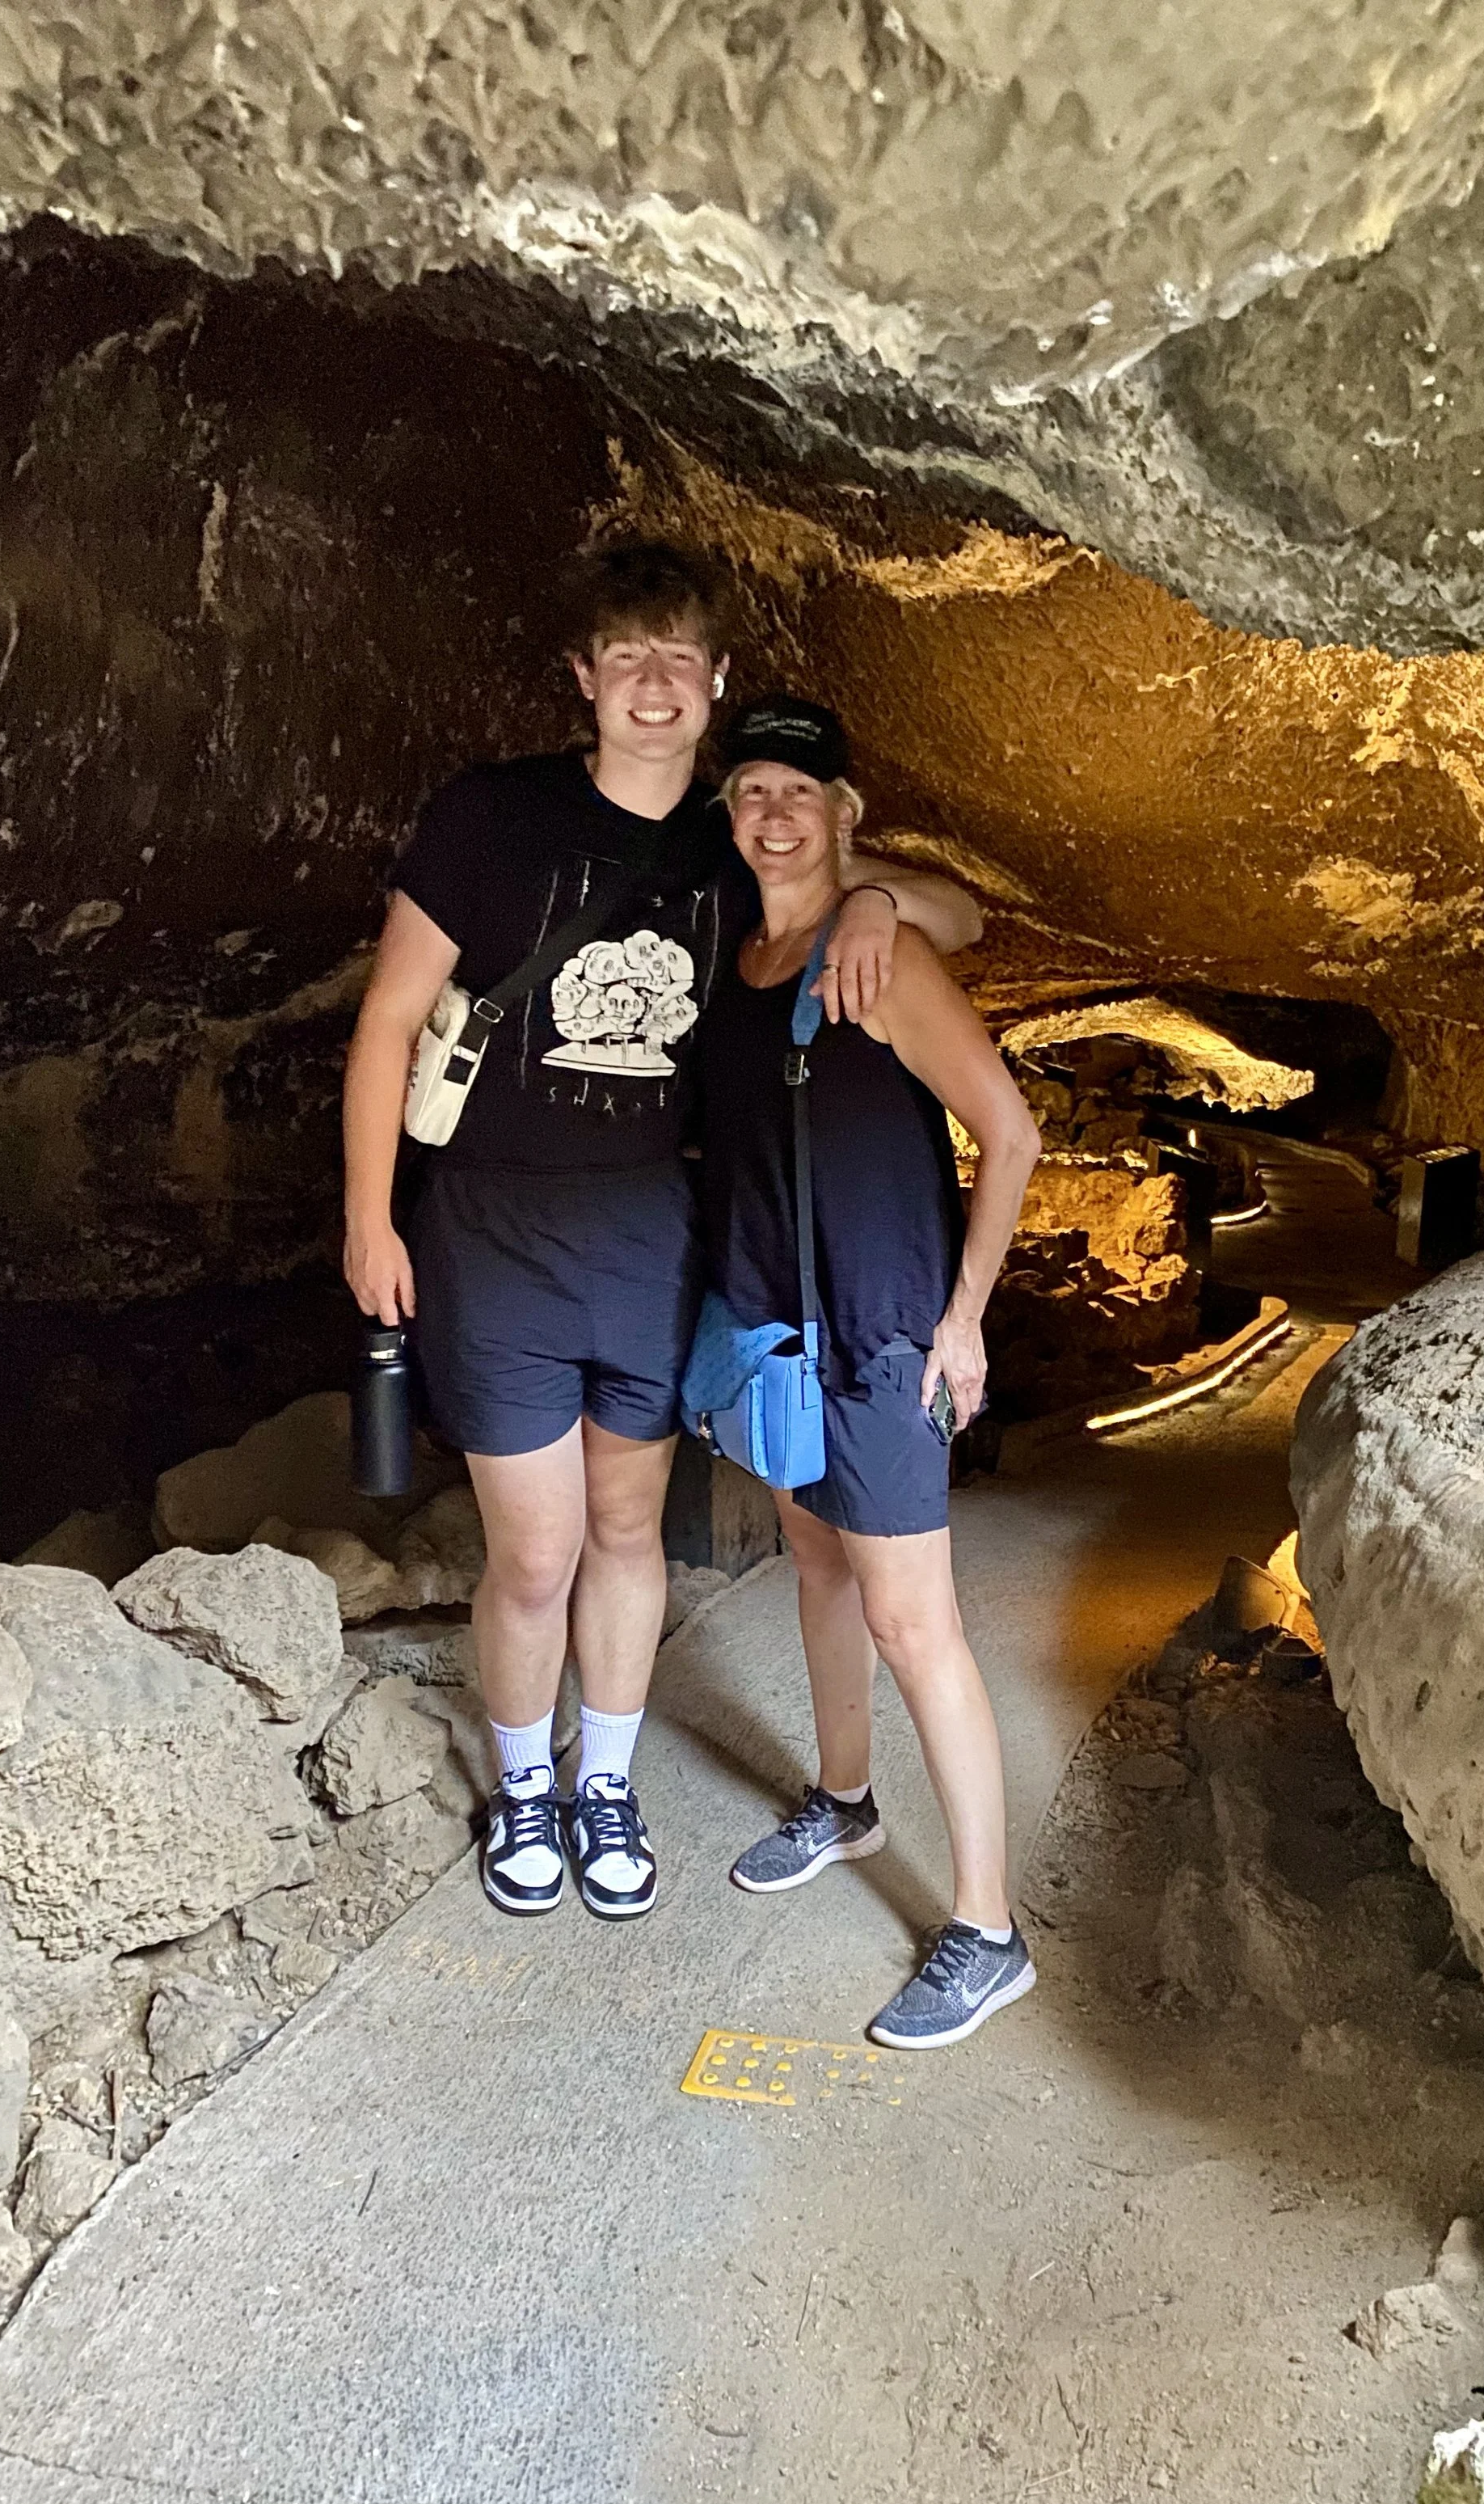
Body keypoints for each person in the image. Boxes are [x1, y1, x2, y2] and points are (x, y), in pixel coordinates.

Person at [340, 547, 981, 1924]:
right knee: (534, 1551)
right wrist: (368, 1219)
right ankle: (527, 1788)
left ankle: (608, 1784)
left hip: (649, 1244)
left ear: (716, 681)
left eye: (678, 657)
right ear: (582, 677)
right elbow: (389, 1019)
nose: (652, 683)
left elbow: (960, 911)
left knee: (628, 1531)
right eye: (624, 656)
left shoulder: (734, 840)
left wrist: (875, 900)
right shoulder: (493, 817)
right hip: (493, 1237)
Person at [698, 695, 1043, 2048]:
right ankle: (844, 1803)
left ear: (846, 814)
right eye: (751, 792)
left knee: (914, 1623)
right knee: (819, 1564)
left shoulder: (881, 956)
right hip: (780, 1332)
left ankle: (988, 1931)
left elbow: (1008, 1131)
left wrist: (966, 1320)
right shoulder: (738, 959)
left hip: (886, 1331)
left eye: (802, 793)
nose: (774, 815)